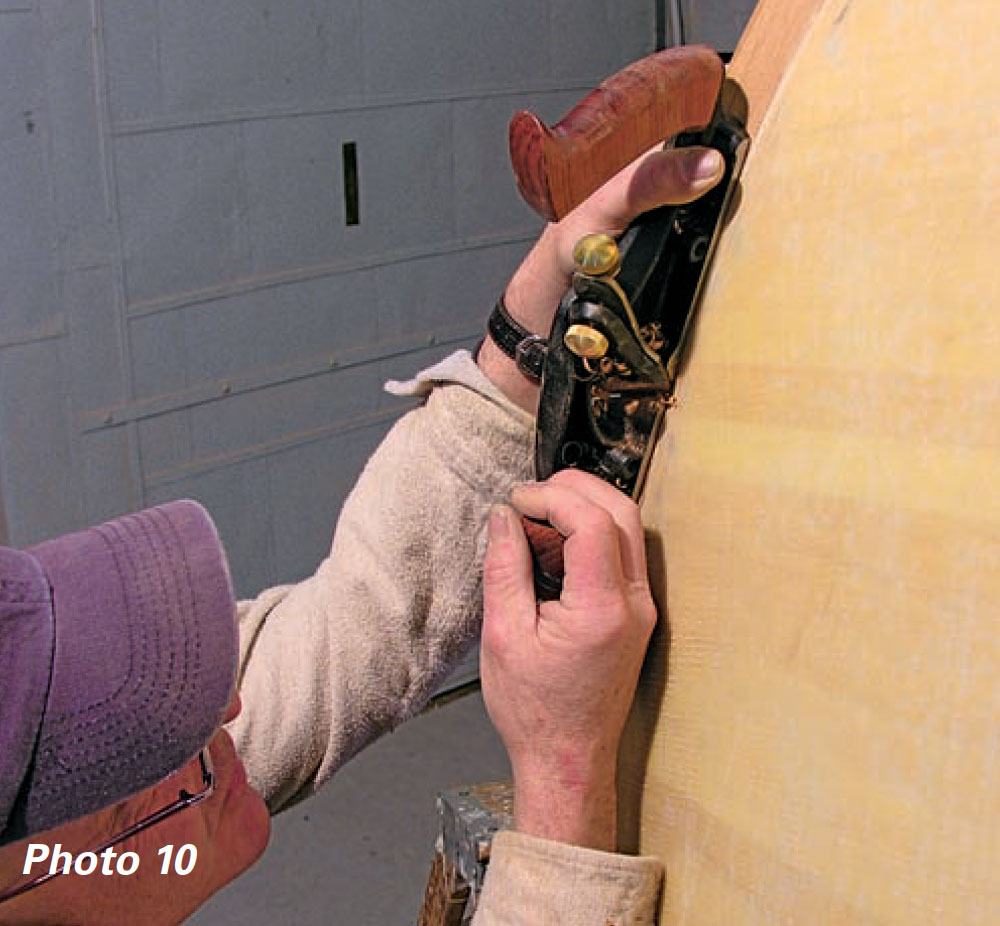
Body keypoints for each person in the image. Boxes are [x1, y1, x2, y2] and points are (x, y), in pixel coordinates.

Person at [0, 142, 725, 924]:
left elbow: (358, 620)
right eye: (130, 733)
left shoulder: (151, 794)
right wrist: (563, 777)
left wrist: (531, 327)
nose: (233, 705)